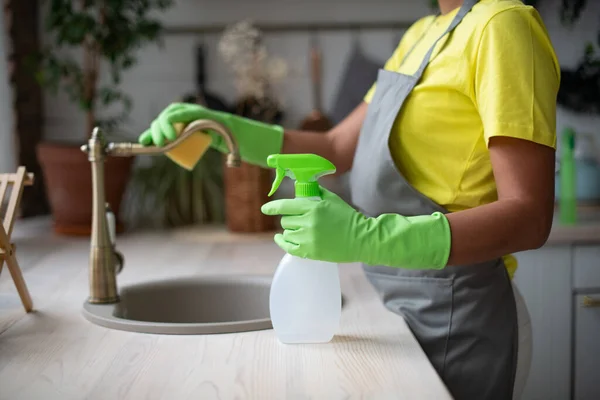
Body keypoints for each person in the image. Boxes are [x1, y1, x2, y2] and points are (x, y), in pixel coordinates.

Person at [139, 0, 559, 398]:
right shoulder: (422, 33)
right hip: (396, 306)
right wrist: (220, 127)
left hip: (459, 321)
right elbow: (336, 146)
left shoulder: (503, 24)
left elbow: (529, 216)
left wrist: (368, 238)